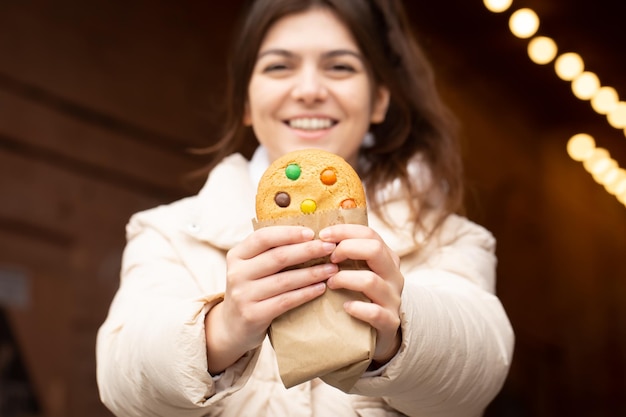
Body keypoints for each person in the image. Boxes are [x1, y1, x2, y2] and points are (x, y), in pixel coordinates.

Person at [96, 0, 514, 416]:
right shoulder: (170, 233)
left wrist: (400, 330)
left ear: (380, 100)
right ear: (245, 99)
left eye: (340, 67)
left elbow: (479, 374)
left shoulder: (447, 238)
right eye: (279, 67)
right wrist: (219, 331)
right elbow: (121, 382)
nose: (310, 90)